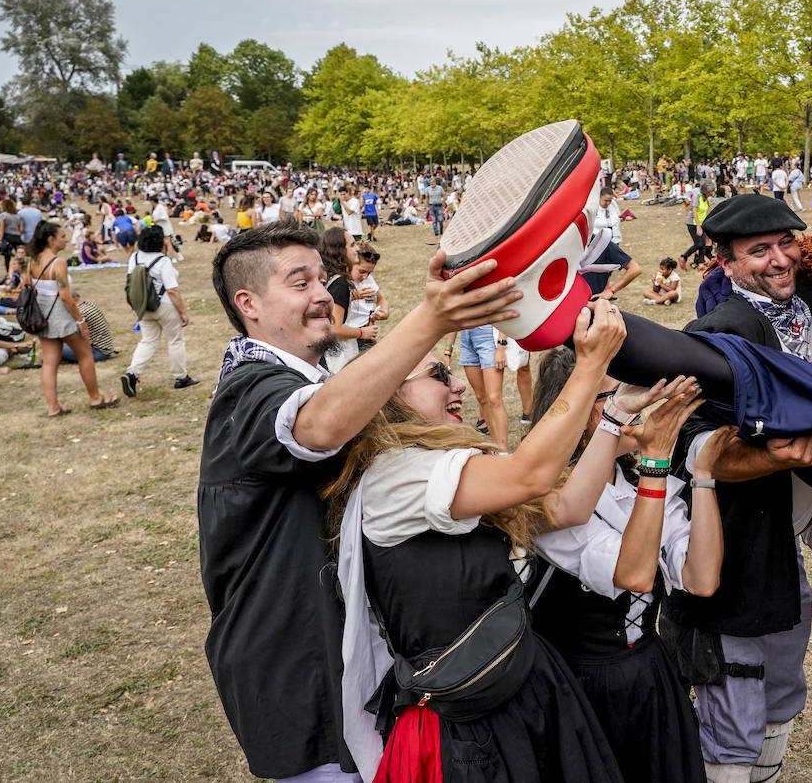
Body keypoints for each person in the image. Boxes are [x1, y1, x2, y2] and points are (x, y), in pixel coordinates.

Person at [199, 219, 522, 783]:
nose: (323, 294)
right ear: (247, 303)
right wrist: (431, 321)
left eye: (322, 279)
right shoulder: (248, 389)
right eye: (299, 283)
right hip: (296, 663)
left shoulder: (306, 374)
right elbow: (319, 426)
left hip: (340, 654)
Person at [324, 303, 627, 783]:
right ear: (385, 394)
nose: (458, 384)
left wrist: (614, 418)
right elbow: (529, 475)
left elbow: (568, 507)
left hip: (517, 682)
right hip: (468, 725)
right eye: (439, 373)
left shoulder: (438, 466)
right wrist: (589, 368)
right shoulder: (393, 478)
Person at [658, 193, 812, 783]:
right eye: (758, 251)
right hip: (732, 551)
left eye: (788, 243)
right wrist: (771, 458)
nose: (780, 260)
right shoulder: (718, 334)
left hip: (785, 542)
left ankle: (769, 770)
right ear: (726, 263)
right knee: (736, 692)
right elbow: (691, 450)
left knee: (784, 682)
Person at [529, 355, 729, 783]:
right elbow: (633, 575)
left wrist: (704, 476)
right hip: (576, 688)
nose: (638, 405)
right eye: (618, 397)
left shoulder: (640, 485)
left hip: (648, 676)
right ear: (579, 413)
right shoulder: (546, 500)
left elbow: (702, 579)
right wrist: (656, 464)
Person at [24, 221, 117, 416]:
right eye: (62, 236)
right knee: (85, 355)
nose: (66, 240)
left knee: (50, 361)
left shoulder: (33, 260)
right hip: (60, 313)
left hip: (42, 313)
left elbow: (28, 285)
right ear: (51, 239)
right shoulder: (58, 262)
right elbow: (65, 296)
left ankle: (53, 407)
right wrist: (80, 319)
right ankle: (95, 397)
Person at [119, 226, 198, 396]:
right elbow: (172, 290)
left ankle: (132, 373)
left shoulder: (134, 257)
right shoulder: (163, 261)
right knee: (175, 340)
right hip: (165, 306)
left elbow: (132, 285)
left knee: (148, 341)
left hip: (144, 307)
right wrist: (183, 312)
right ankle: (181, 377)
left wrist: (135, 307)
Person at [447, 323, 509, 447]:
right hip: (466, 336)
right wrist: (447, 353)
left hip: (488, 336)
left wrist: (501, 346)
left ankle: (503, 451)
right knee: (481, 398)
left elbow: (502, 309)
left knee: (494, 398)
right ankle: (495, 446)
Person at [318, 227, 369, 374]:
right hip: (336, 357)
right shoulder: (340, 283)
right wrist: (362, 332)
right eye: (352, 245)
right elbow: (335, 329)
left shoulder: (328, 277)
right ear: (339, 250)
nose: (358, 248)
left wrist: (353, 296)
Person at [346, 247, 387, 353]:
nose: (365, 276)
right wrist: (354, 296)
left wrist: (384, 311)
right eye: (362, 271)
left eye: (369, 273)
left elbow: (380, 299)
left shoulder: (367, 279)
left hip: (367, 332)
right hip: (348, 336)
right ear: (350, 263)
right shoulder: (341, 282)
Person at [61, 290, 118, 364]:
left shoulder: (79, 313)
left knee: (55, 347)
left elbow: (71, 335)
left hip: (98, 353)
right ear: (78, 295)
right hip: (105, 348)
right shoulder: (89, 304)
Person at [679, 181, 716, 270]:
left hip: (701, 223)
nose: (712, 193)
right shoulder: (697, 197)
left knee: (703, 243)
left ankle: (701, 263)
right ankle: (684, 256)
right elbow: (694, 211)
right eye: (711, 191)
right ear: (706, 191)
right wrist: (698, 226)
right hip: (693, 223)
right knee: (699, 243)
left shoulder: (705, 199)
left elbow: (706, 210)